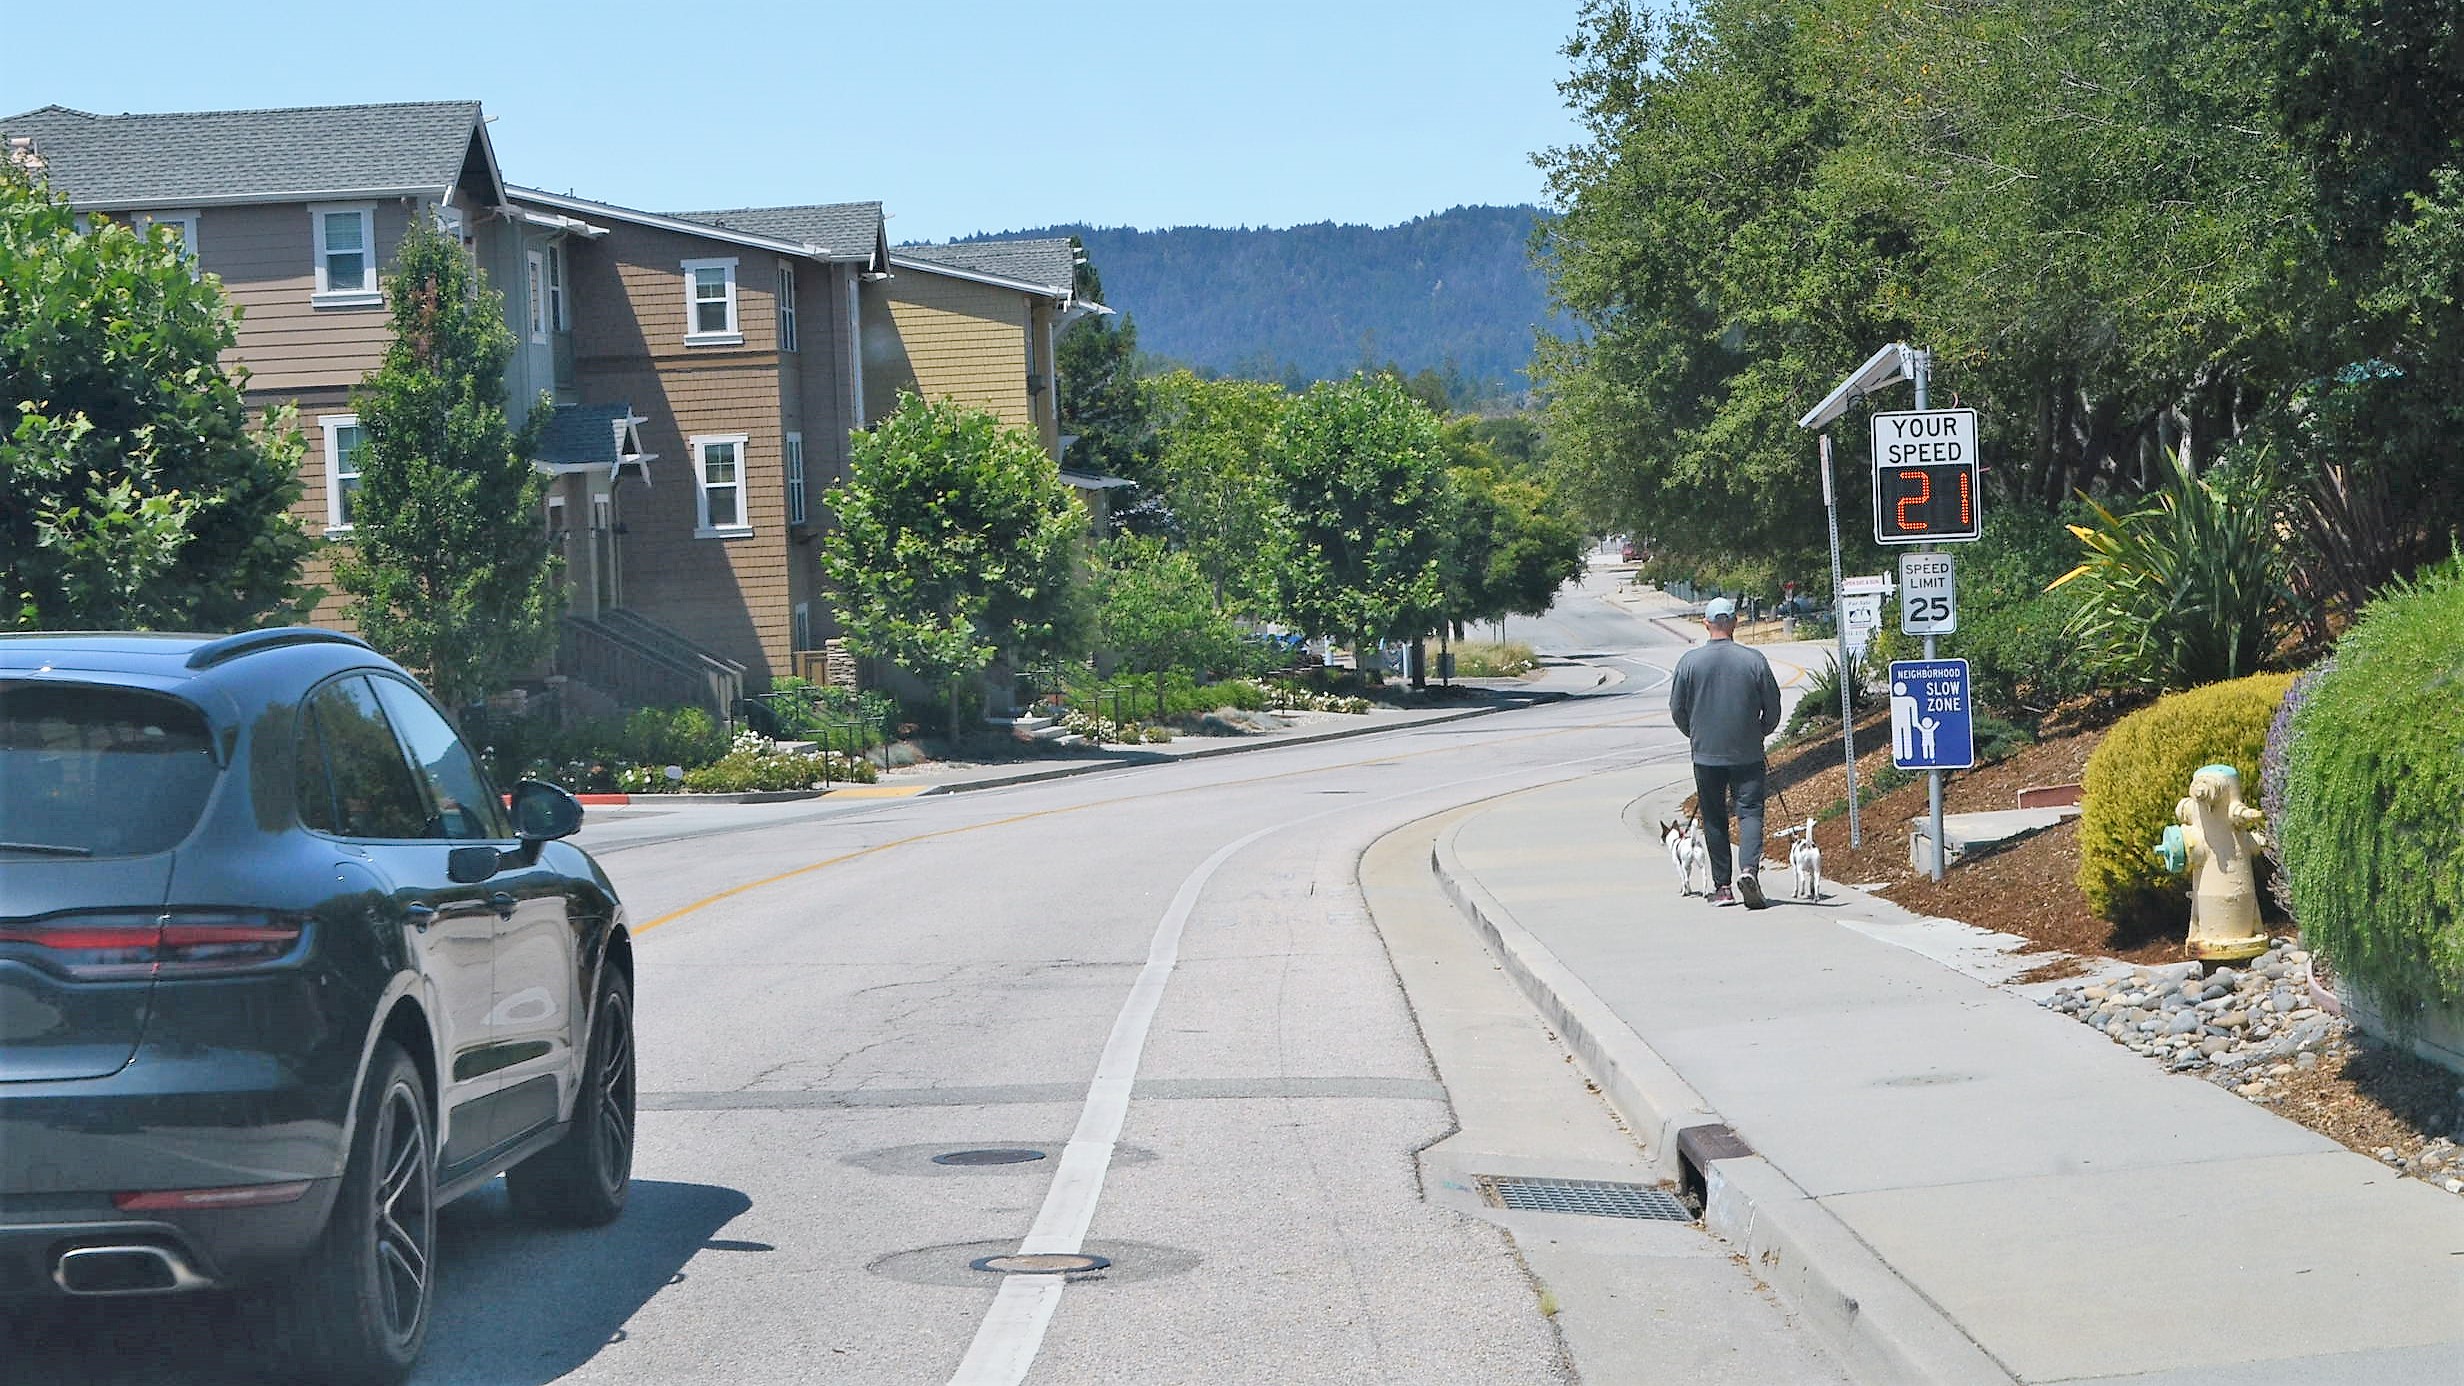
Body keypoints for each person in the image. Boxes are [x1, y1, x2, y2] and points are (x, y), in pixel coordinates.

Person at [1668, 597, 1783, 907]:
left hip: (1706, 754)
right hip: (1747, 752)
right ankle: (1748, 870)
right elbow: (1772, 708)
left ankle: (1722, 887)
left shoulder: (1689, 663)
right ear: (1734, 623)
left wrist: (1695, 735)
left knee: (1715, 816)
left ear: (1706, 624)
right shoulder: (1754, 660)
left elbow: (1677, 709)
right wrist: (1759, 731)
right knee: (1749, 812)